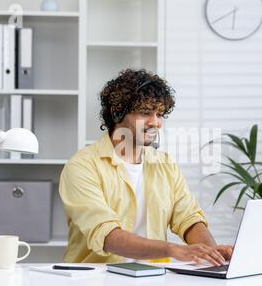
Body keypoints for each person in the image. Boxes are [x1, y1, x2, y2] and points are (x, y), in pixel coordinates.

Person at [59, 69, 233, 265]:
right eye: (145, 113)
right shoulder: (82, 167)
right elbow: (106, 235)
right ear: (117, 112)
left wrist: (211, 252)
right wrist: (173, 249)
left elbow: (188, 217)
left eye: (159, 114)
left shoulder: (165, 165)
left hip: (155, 279)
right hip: (97, 280)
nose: (155, 123)